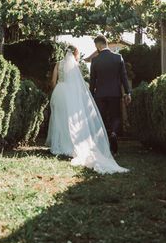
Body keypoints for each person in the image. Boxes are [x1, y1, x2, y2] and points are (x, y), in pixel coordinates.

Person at [46, 45, 128, 174]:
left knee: (58, 118)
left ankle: (58, 145)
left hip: (59, 92)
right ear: (75, 53)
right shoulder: (74, 66)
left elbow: (53, 81)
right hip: (71, 94)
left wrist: (56, 88)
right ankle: (71, 145)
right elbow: (78, 84)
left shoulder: (58, 64)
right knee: (71, 119)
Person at [88, 35, 131, 155]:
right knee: (115, 117)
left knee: (101, 118)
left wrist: (91, 95)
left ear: (98, 44)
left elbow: (92, 81)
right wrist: (128, 92)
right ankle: (113, 134)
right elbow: (124, 77)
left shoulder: (95, 60)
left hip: (100, 94)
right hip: (114, 93)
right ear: (106, 43)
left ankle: (103, 146)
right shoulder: (118, 58)